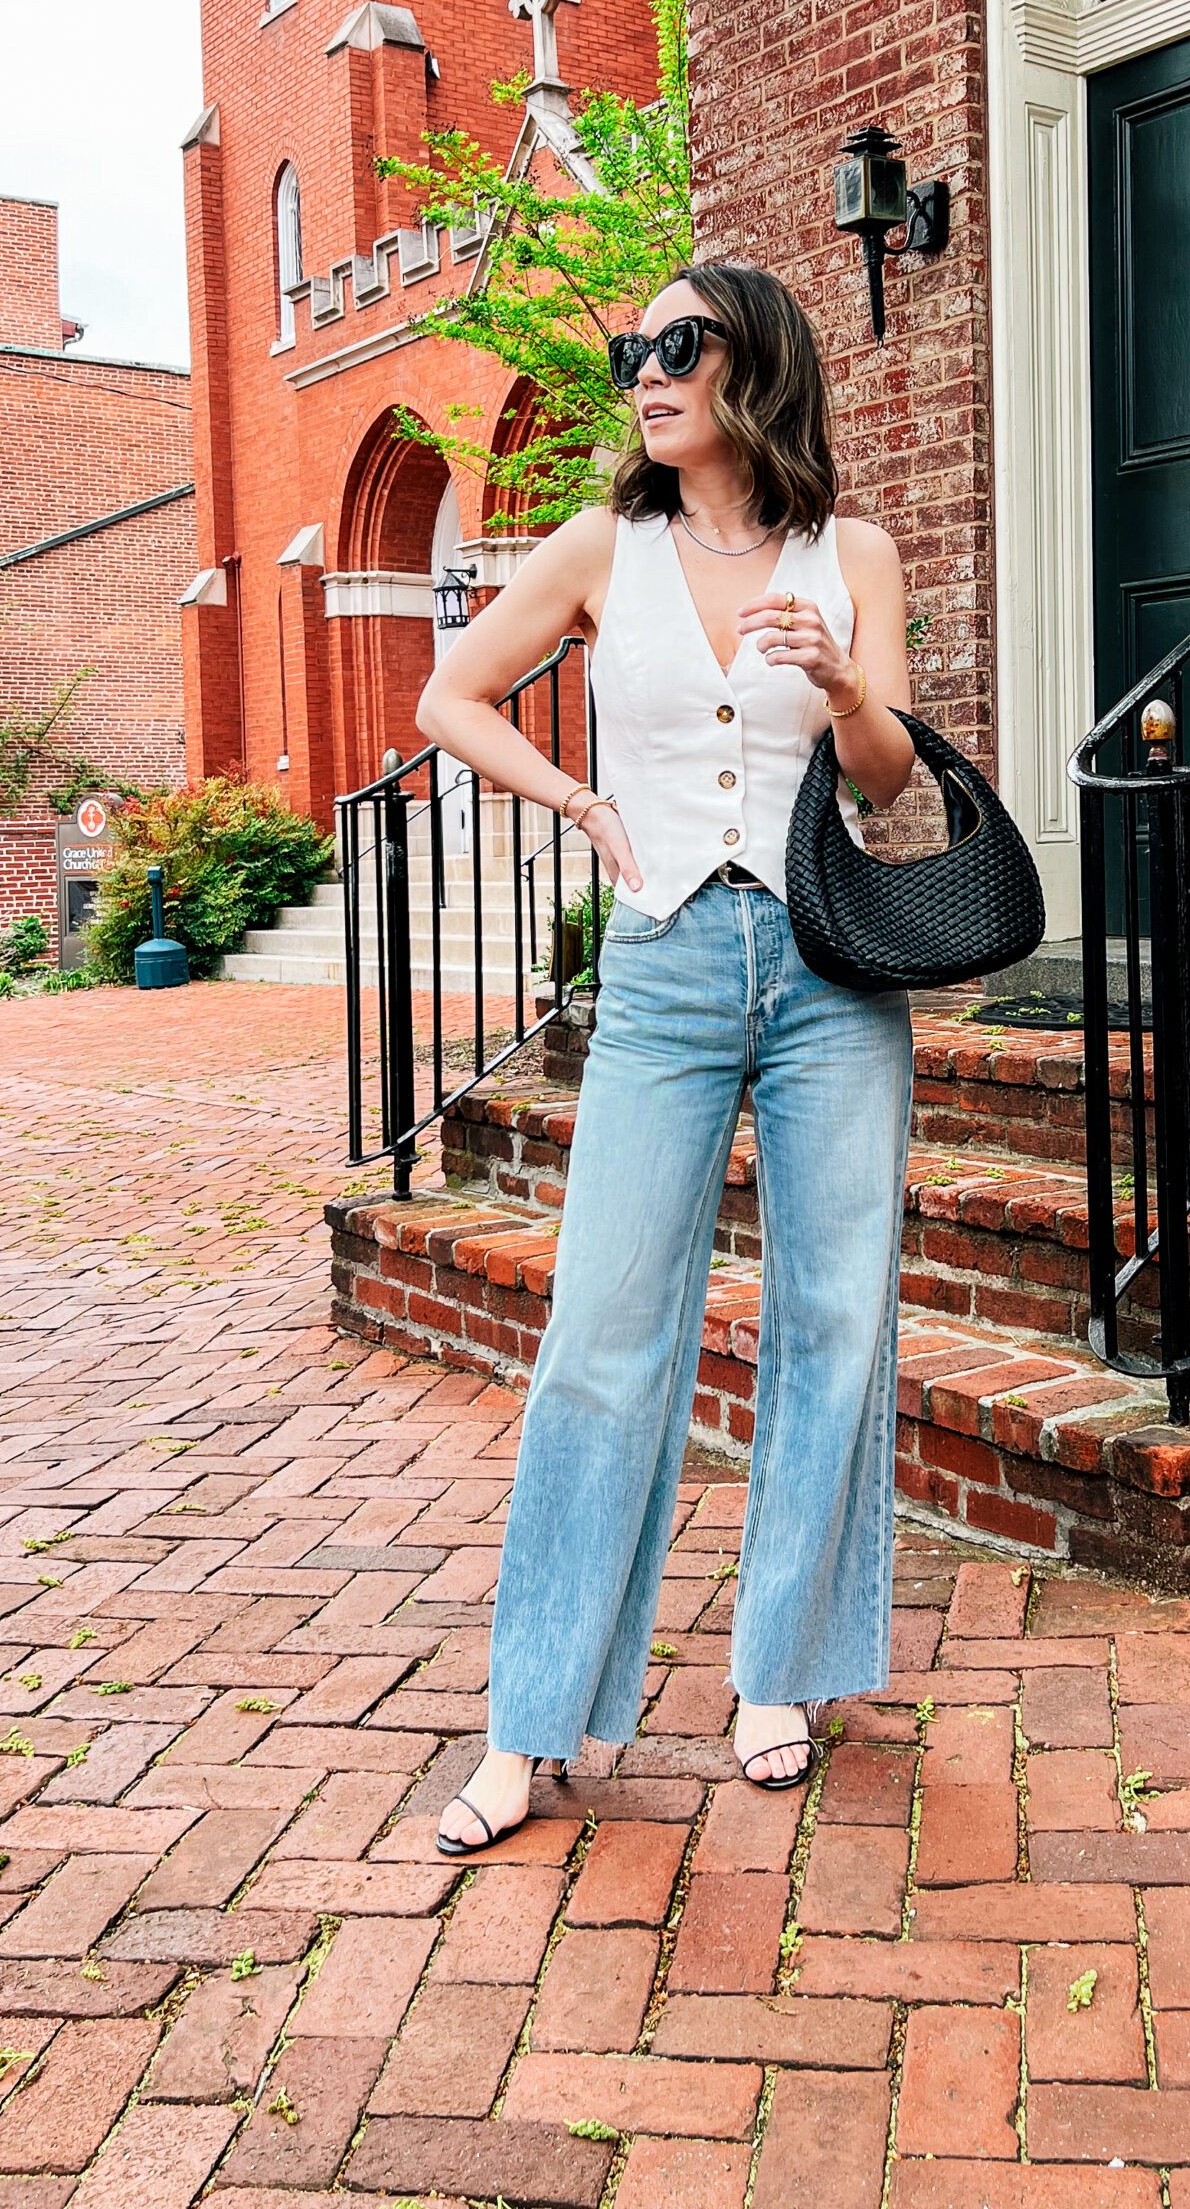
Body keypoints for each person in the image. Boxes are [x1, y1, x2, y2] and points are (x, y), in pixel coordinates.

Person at [416, 260, 917, 1847]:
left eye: (677, 344)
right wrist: (574, 802)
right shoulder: (596, 549)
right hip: (662, 963)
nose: (645, 368)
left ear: (751, 365)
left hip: (833, 967)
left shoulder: (854, 554)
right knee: (604, 1328)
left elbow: (887, 776)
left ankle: (780, 1673)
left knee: (833, 1318)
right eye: (634, 346)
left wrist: (840, 679)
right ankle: (531, 1721)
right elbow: (448, 698)